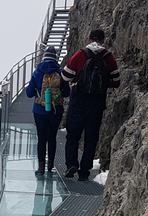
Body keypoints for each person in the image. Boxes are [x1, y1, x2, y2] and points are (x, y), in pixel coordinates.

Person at [61, 29, 120, 181]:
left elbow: (66, 76)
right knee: (91, 138)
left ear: (89, 40)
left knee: (73, 135)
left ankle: (71, 164)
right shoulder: (109, 57)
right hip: (97, 104)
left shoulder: (80, 54)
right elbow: (116, 82)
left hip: (78, 102)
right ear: (103, 40)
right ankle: (84, 172)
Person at [25, 46, 71, 176]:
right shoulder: (60, 73)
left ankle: (41, 168)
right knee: (52, 138)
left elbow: (29, 94)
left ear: (44, 56)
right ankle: (50, 166)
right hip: (56, 111)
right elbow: (67, 93)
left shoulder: (37, 73)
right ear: (55, 57)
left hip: (39, 111)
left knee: (41, 138)